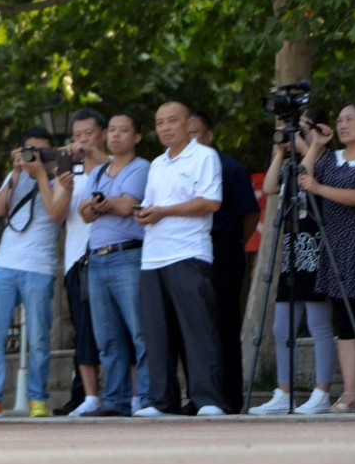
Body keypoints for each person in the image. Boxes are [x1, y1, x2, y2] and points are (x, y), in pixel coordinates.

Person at [0, 126, 64, 419]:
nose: (33, 156)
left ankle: (37, 398)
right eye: (28, 150)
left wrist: (42, 174)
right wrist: (18, 173)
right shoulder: (15, 176)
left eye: (40, 151)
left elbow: (55, 213)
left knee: (38, 338)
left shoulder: (60, 179)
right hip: (4, 266)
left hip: (38, 267)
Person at [134, 102, 225, 417]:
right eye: (159, 122)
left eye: (172, 121)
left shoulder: (204, 156)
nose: (165, 127)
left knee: (197, 330)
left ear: (189, 124)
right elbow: (151, 204)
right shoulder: (157, 164)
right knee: (156, 334)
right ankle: (160, 401)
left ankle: (207, 400)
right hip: (152, 258)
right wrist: (145, 213)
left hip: (188, 253)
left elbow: (211, 202)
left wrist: (164, 211)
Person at [298, 101, 355, 413]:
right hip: (336, 249)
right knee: (344, 322)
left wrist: (320, 188)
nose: (343, 124)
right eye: (339, 120)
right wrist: (316, 146)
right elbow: (304, 180)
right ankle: (350, 390)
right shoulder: (330, 159)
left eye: (350, 119)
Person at [250, 108, 335, 414]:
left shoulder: (327, 161)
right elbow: (271, 188)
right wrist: (279, 153)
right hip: (291, 251)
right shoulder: (291, 163)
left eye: (300, 128)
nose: (293, 135)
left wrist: (311, 146)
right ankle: (283, 392)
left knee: (316, 323)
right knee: (281, 326)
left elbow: (306, 182)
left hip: (317, 246)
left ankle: (321, 392)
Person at [187, 111, 261, 412]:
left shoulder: (229, 167)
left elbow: (251, 213)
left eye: (195, 132)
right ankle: (201, 396)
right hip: (189, 252)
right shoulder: (175, 169)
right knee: (195, 326)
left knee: (225, 325)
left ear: (209, 135)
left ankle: (230, 397)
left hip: (224, 250)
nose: (190, 138)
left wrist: (234, 244)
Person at [79, 113, 151, 417]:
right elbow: (83, 211)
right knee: (107, 337)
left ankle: (147, 398)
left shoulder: (142, 167)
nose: (116, 135)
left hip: (127, 256)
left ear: (136, 137)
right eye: (112, 130)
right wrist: (99, 206)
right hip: (97, 259)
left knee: (139, 331)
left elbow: (126, 205)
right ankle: (116, 401)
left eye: (124, 130)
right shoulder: (97, 173)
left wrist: (102, 206)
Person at [47, 109, 108, 415]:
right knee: (83, 328)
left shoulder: (113, 165)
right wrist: (65, 186)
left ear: (103, 135)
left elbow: (115, 181)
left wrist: (94, 155)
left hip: (110, 255)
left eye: (88, 134)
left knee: (116, 327)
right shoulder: (67, 171)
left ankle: (128, 394)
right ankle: (89, 396)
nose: (81, 141)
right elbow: (56, 216)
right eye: (77, 135)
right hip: (76, 259)